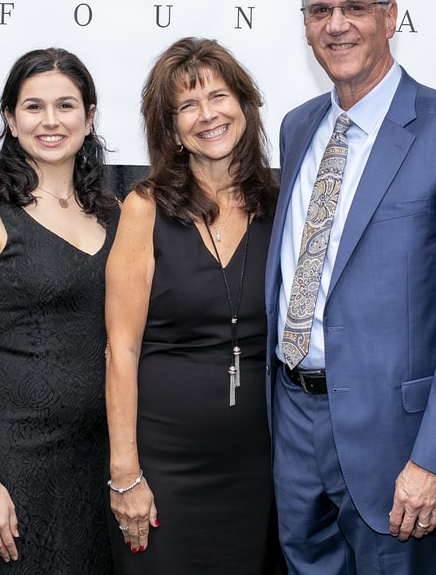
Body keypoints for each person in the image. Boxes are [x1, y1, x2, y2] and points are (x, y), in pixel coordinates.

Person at [265, 0, 436, 574]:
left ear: (390, 16)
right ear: (305, 26)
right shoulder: (298, 128)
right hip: (294, 422)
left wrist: (435, 458)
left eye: (355, 6)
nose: (337, 24)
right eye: (320, 10)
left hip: (399, 441)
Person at [104, 37, 282, 573]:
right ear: (172, 128)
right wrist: (125, 472)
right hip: (163, 470)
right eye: (187, 105)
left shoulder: (282, 203)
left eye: (219, 96)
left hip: (260, 471)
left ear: (244, 105)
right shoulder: (144, 207)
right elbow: (120, 349)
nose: (208, 115)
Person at [0, 48, 118, 573]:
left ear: (89, 118)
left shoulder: (112, 215)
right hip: (13, 462)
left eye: (65, 106)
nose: (50, 121)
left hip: (94, 461)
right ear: (10, 120)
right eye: (33, 106)